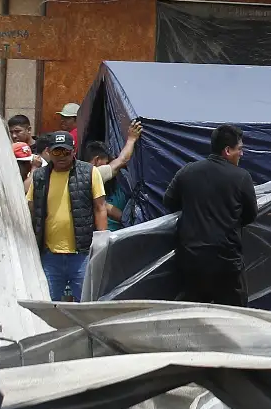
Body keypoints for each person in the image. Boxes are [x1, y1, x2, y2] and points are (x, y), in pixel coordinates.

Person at [161, 124, 259, 306]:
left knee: (192, 313)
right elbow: (251, 215)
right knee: (234, 315)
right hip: (227, 261)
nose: (242, 154)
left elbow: (169, 202)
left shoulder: (187, 171)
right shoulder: (242, 177)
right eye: (240, 149)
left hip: (191, 260)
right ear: (227, 150)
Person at [24, 130, 106, 302]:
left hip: (81, 254)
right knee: (50, 305)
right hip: (50, 256)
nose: (61, 156)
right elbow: (31, 208)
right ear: (48, 152)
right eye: (56, 152)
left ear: (73, 151)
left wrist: (101, 242)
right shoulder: (39, 177)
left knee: (84, 305)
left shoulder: (90, 172)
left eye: (65, 152)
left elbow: (100, 207)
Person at [84, 121, 143, 229]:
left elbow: (104, 206)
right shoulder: (93, 175)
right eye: (106, 162)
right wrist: (131, 139)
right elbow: (122, 160)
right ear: (97, 160)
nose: (108, 165)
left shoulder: (77, 175)